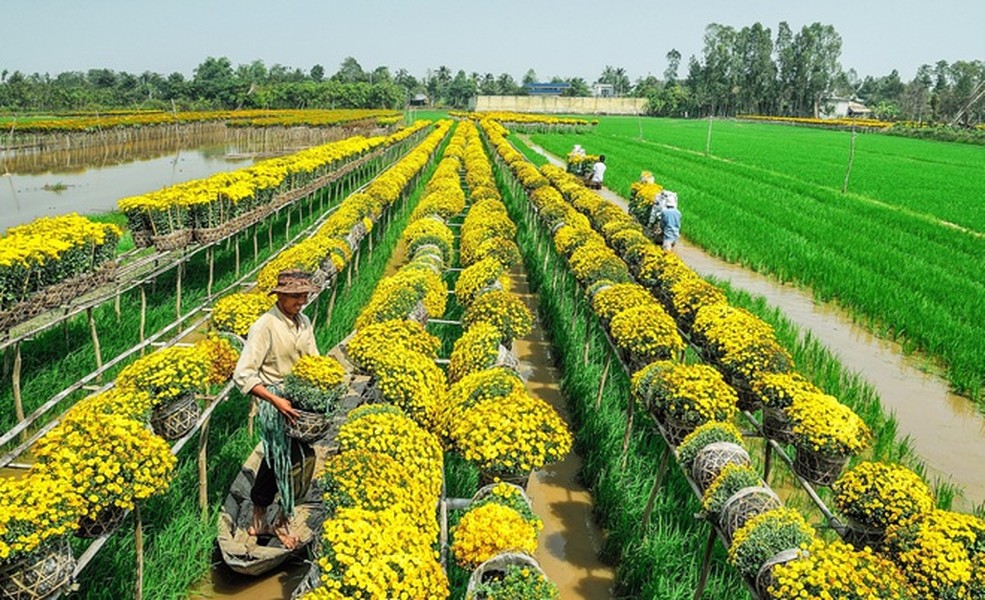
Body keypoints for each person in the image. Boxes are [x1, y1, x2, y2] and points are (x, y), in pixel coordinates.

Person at [233, 269, 320, 549]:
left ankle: (263, 517)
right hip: (276, 402)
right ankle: (276, 519)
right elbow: (243, 374)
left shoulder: (303, 321)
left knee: (289, 459)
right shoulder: (265, 325)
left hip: (300, 402)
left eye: (304, 295)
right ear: (280, 296)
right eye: (296, 296)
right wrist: (275, 400)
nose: (301, 301)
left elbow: (314, 361)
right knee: (287, 459)